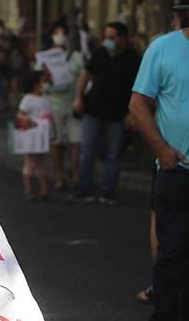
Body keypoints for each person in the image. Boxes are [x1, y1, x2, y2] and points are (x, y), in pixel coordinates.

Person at [130, 0, 189, 321]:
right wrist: (163, 151)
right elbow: (138, 104)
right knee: (173, 252)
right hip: (177, 170)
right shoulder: (163, 48)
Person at [71, 21, 140, 203]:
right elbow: (86, 74)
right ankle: (85, 188)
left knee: (113, 154)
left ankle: (108, 191)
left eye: (112, 37)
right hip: (93, 109)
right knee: (88, 151)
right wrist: (78, 97)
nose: (108, 41)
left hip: (118, 114)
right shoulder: (100, 54)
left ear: (124, 38)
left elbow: (139, 88)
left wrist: (133, 113)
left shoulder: (134, 59)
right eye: (106, 37)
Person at [35, 20, 84, 190]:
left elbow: (85, 77)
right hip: (53, 105)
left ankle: (76, 176)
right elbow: (38, 82)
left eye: (62, 32)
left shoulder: (76, 57)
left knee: (76, 143)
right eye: (56, 33)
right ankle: (60, 177)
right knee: (57, 143)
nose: (59, 36)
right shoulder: (45, 57)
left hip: (73, 105)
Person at [17, 70, 53, 201]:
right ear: (35, 84)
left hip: (42, 135)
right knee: (31, 162)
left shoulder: (45, 98)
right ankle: (29, 190)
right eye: (43, 81)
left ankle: (44, 191)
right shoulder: (28, 99)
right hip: (32, 135)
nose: (46, 84)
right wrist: (29, 120)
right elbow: (20, 114)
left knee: (42, 163)